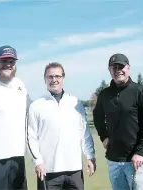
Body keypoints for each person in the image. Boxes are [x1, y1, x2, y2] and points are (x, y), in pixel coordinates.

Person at [27, 62, 96, 190]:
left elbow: (84, 132)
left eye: (58, 76)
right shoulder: (36, 105)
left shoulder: (75, 102)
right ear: (45, 79)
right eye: (50, 77)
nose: (54, 80)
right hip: (48, 171)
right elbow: (31, 137)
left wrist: (90, 156)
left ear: (63, 77)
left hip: (74, 169)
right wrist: (38, 161)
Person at [93, 53, 143, 190]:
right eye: (114, 67)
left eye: (121, 66)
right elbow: (97, 117)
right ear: (109, 70)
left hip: (138, 160)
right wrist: (103, 136)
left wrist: (141, 151)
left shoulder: (141, 92)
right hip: (114, 161)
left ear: (128, 68)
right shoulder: (104, 95)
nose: (118, 70)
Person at [0, 45, 31, 189]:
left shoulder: (19, 84)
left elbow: (32, 111)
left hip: (18, 157)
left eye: (12, 61)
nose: (8, 64)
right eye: (4, 60)